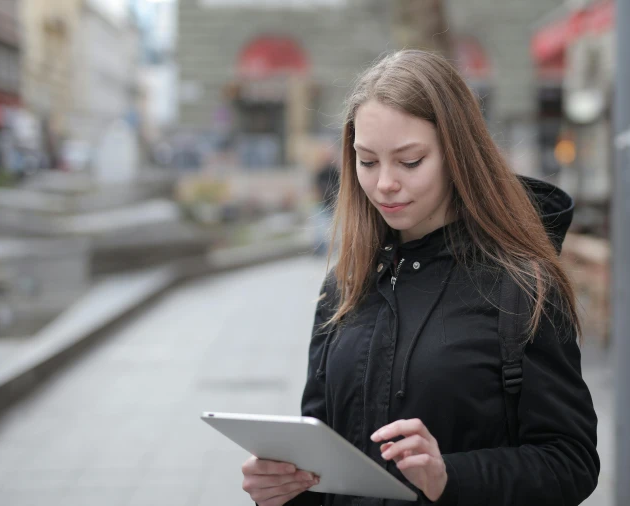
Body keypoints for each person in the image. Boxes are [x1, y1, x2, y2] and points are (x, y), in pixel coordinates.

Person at [241, 49, 599, 506]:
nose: (385, 183)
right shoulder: (343, 285)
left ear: (458, 156)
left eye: (409, 162)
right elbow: (325, 463)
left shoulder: (522, 284)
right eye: (367, 161)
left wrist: (450, 476)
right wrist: (284, 489)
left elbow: (571, 462)